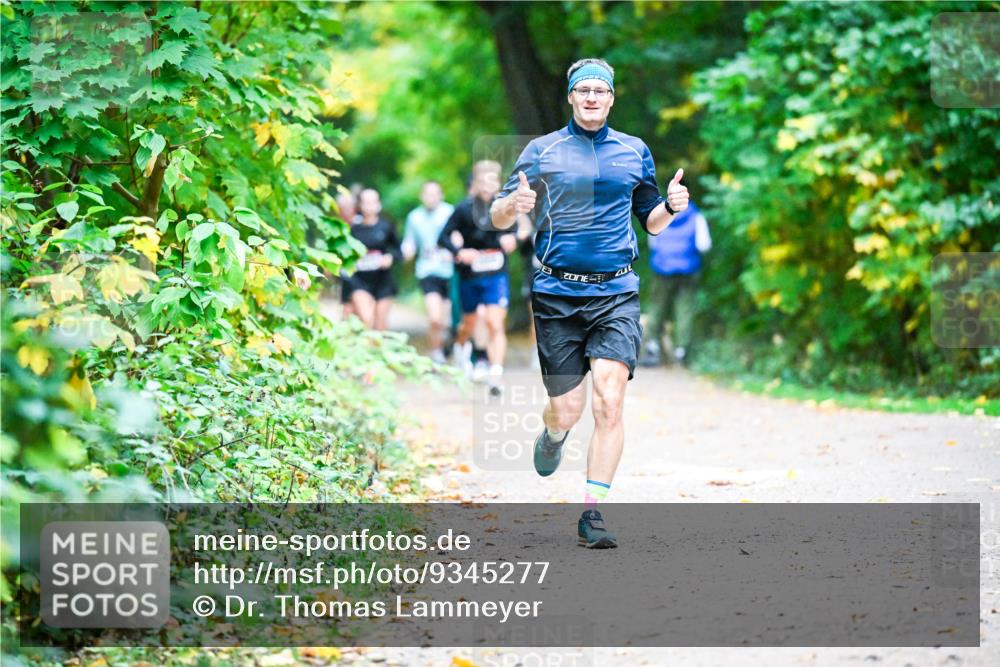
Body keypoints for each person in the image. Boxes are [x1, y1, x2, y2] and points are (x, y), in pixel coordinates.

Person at [491, 58, 690, 548]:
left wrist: (671, 207)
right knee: (567, 409)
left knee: (610, 399)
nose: (593, 97)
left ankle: (593, 512)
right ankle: (553, 435)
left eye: (601, 90)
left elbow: (651, 220)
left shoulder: (634, 151)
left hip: (616, 292)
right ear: (571, 97)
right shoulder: (542, 151)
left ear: (612, 98)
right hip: (557, 294)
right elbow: (496, 216)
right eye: (584, 90)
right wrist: (511, 207)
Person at [438, 160, 517, 396]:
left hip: (496, 274)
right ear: (475, 184)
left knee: (494, 322)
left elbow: (514, 234)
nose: (487, 185)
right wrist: (459, 252)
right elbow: (442, 237)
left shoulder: (504, 208)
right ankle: (460, 345)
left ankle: (495, 375)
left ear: (498, 185)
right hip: (470, 275)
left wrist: (511, 240)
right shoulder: (463, 209)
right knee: (469, 324)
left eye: (492, 181)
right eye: (483, 181)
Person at [644, 201, 711, 366]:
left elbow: (652, 242)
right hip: (688, 269)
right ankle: (681, 351)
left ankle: (652, 347)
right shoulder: (696, 215)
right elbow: (704, 245)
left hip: (662, 268)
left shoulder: (660, 212)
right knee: (685, 308)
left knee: (657, 306)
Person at [402, 181, 455, 364]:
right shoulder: (414, 217)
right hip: (427, 271)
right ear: (422, 196)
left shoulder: (450, 212)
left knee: (448, 321)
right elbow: (409, 241)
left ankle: (448, 344)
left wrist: (456, 249)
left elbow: (459, 235)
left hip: (449, 271)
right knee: (435, 318)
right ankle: (436, 352)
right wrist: (407, 250)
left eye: (435, 194)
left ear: (441, 195)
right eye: (427, 194)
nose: (431, 198)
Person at [342, 188, 402, 330]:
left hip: (383, 281)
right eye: (366, 202)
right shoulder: (352, 229)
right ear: (360, 205)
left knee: (380, 324)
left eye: (373, 202)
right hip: (360, 280)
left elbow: (399, 251)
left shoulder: (386, 226)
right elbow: (344, 257)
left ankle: (377, 351)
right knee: (367, 319)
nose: (370, 206)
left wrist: (390, 258)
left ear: (379, 204)